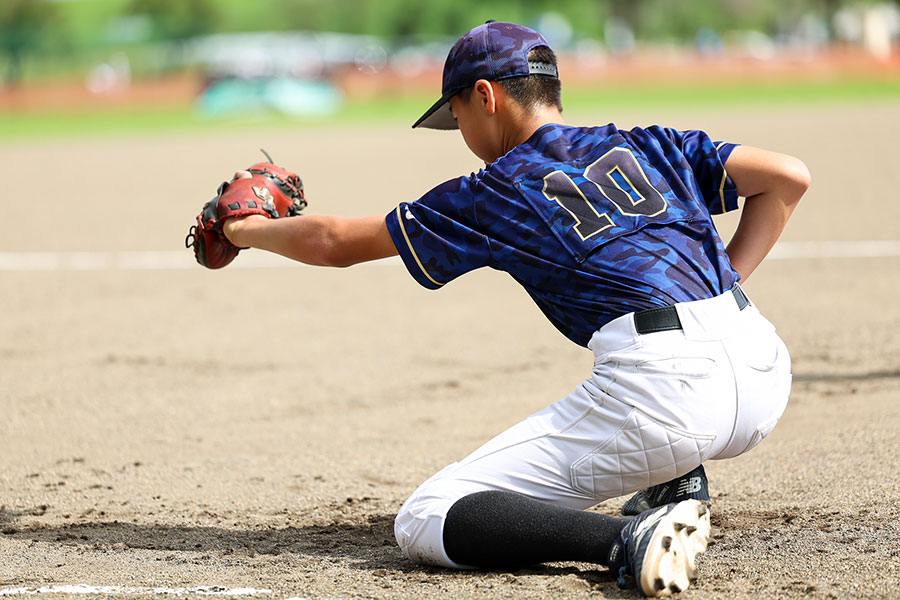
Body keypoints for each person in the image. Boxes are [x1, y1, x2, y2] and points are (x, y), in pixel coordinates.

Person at [221, 21, 809, 597]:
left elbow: (335, 243)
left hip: (667, 399)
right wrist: (723, 285)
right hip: (763, 369)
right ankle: (677, 480)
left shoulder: (497, 188)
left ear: (486, 96)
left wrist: (245, 230)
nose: (460, 130)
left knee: (428, 515)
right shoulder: (648, 142)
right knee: (643, 378)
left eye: (457, 116)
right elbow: (787, 178)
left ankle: (628, 538)